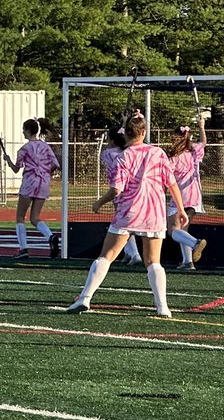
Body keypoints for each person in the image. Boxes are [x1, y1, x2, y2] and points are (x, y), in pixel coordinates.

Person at [68, 112, 187, 317]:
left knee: (106, 256)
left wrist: (99, 202)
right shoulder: (157, 153)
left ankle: (85, 298)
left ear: (126, 134)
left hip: (128, 213)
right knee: (153, 262)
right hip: (153, 214)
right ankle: (162, 307)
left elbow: (116, 189)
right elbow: (172, 183)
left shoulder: (123, 157)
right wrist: (181, 208)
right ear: (144, 131)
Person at [3, 117, 60, 260]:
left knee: (20, 217)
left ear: (28, 131)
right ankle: (50, 236)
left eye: (24, 130)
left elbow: (16, 168)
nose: (23, 132)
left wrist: (8, 159)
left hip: (29, 182)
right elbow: (55, 164)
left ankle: (23, 249)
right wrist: (46, 172)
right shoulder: (45, 146)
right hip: (43, 182)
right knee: (35, 217)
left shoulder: (24, 149)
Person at [167, 114, 209, 271]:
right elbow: (203, 142)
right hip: (195, 196)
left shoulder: (173, 157)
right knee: (183, 229)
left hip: (181, 197)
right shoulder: (194, 151)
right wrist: (202, 126)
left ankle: (195, 243)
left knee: (173, 229)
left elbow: (168, 178)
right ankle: (188, 262)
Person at [101, 129, 142, 265]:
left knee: (123, 223)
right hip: (133, 190)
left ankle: (134, 253)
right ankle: (128, 252)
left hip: (119, 189)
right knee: (124, 222)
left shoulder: (108, 153)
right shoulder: (128, 152)